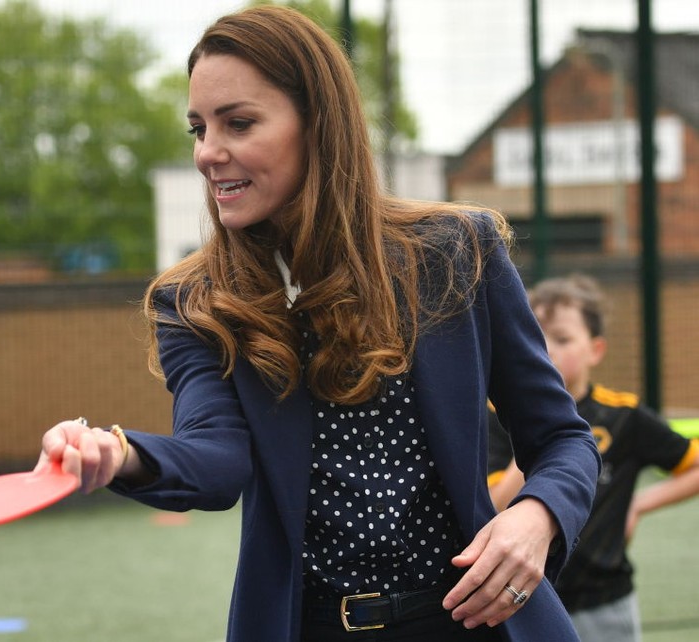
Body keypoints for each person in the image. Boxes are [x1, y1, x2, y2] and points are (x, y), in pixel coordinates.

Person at [36, 6, 599, 641]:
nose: (207, 153)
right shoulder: (194, 300)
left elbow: (562, 439)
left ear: (318, 125)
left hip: (476, 623)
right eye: (198, 128)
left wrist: (537, 516)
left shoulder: (456, 251)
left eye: (238, 123)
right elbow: (217, 461)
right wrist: (119, 454)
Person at [488, 274, 699, 642]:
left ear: (595, 350)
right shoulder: (496, 417)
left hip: (605, 600)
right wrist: (536, 438)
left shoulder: (623, 415)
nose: (546, 349)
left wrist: (638, 505)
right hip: (523, 598)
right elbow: (492, 505)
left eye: (563, 339)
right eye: (536, 336)